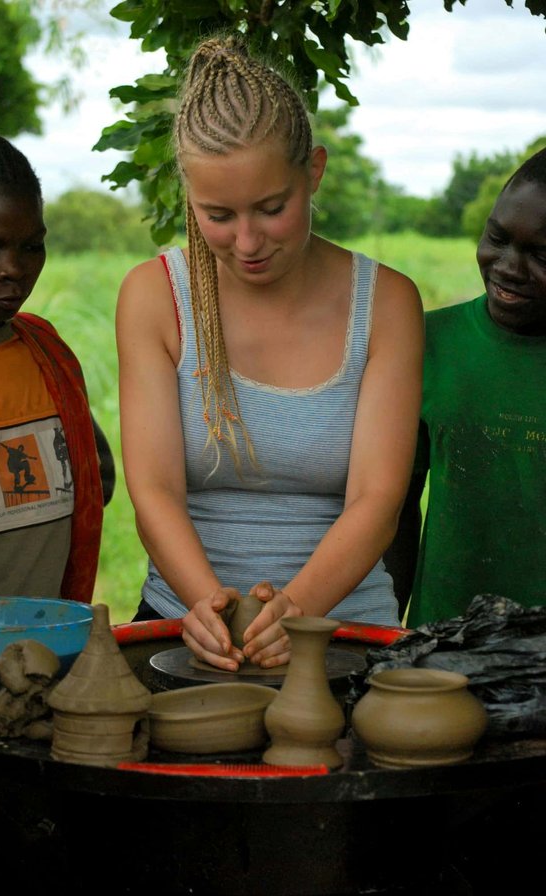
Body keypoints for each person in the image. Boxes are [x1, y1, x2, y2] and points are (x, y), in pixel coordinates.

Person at [116, 35, 424, 671]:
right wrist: (211, 610)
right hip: (187, 627)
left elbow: (377, 500)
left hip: (344, 630)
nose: (248, 241)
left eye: (271, 208)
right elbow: (154, 491)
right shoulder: (154, 297)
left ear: (314, 171)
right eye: (218, 215)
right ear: (189, 194)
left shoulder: (387, 303)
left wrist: (295, 611)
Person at [0, 131, 114, 601]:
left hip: (47, 642)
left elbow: (94, 476)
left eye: (32, 246)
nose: (14, 269)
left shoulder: (45, 352)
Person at [385, 146, 546, 627]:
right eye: (497, 238)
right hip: (443, 641)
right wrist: (384, 632)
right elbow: (395, 511)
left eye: (541, 255)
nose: (509, 267)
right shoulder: (429, 342)